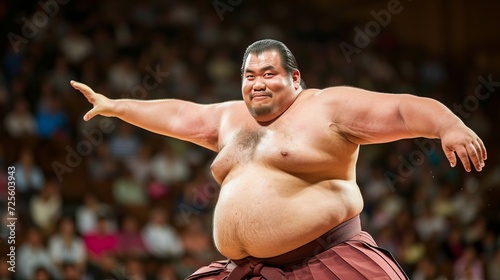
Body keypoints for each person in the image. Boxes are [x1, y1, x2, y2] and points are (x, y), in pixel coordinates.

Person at [71, 39, 487, 279]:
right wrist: (117, 106)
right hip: (246, 270)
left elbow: (401, 109)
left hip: (326, 264)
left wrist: (448, 126)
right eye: (249, 76)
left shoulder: (329, 106)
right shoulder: (229, 118)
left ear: (295, 77)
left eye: (269, 74)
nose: (257, 84)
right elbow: (179, 115)